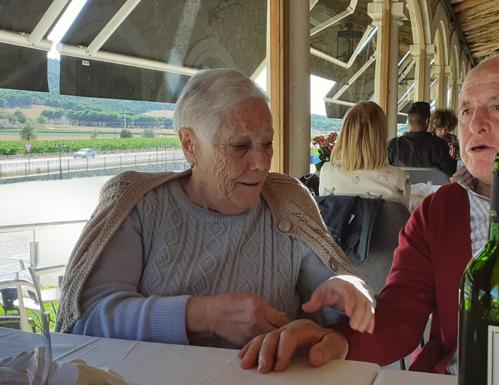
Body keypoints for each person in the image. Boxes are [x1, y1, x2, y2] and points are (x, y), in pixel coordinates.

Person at [239, 55, 499, 385]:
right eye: (467, 110)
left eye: (497, 107)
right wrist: (338, 339)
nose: (475, 124)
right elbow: (401, 311)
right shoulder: (439, 212)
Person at [55, 68, 376, 348]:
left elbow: (331, 292)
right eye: (239, 146)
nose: (262, 163)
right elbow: (86, 317)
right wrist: (201, 315)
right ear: (189, 145)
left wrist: (347, 290)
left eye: (267, 144)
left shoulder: (287, 200)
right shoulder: (139, 204)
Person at [319, 101, 410, 208]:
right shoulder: (400, 178)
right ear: (381, 137)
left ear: (345, 135)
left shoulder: (327, 172)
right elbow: (402, 219)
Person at [387, 101, 457, 176]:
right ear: (427, 121)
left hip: (401, 186)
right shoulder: (439, 145)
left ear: (409, 120)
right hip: (432, 187)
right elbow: (450, 172)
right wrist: (452, 159)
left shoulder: (393, 145)